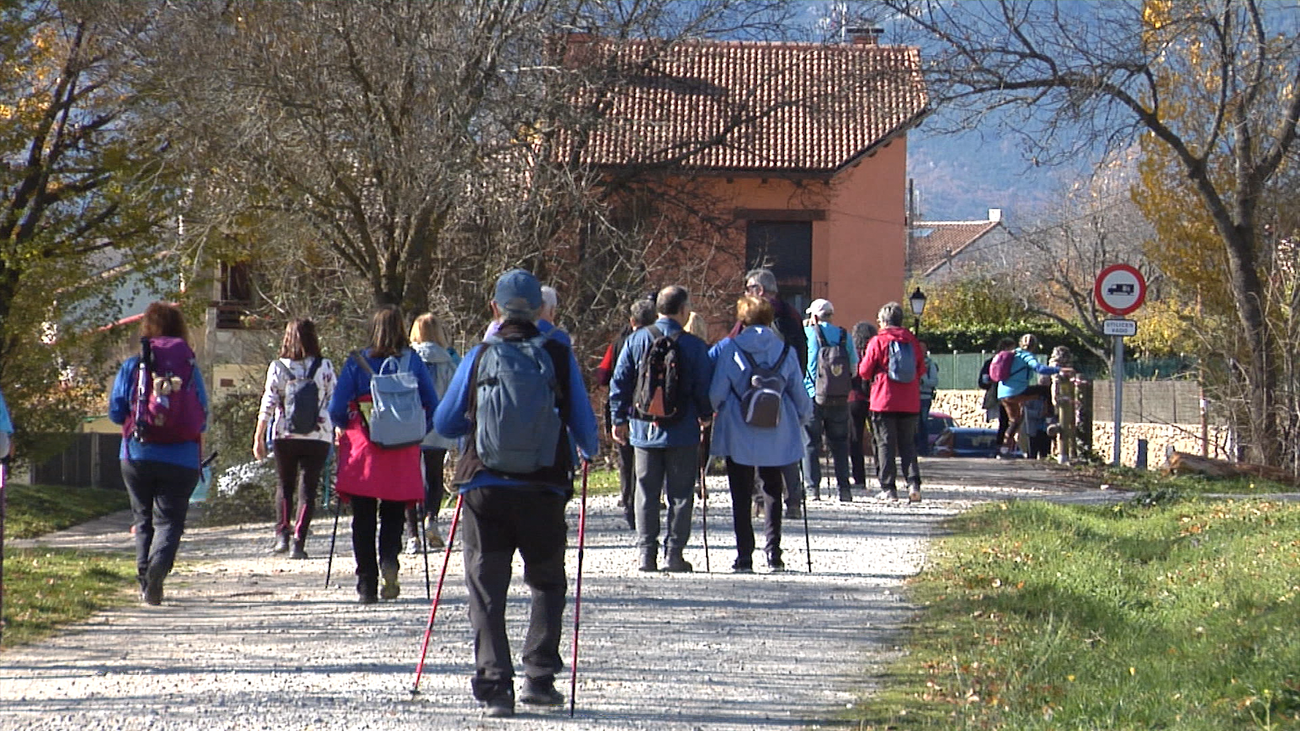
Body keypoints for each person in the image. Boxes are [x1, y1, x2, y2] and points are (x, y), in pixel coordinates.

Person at [433, 269, 599, 718]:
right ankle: (539, 680)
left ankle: (495, 687)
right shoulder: (558, 354)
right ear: (542, 311)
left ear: (496, 309)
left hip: (485, 487)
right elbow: (587, 432)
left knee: (487, 587)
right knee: (546, 582)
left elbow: (446, 423)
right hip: (544, 485)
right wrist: (583, 449)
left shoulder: (480, 355)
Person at [328, 305, 438, 603]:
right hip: (402, 445)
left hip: (364, 444)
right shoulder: (412, 361)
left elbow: (336, 408)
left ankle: (366, 584)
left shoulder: (356, 363)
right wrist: (417, 429)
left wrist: (344, 427)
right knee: (393, 511)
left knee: (362, 517)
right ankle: (389, 557)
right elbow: (432, 402)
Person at [108, 302, 209, 605]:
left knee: (143, 518)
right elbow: (201, 415)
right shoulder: (189, 366)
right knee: (170, 521)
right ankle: (158, 569)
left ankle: (144, 580)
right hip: (180, 458)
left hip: (137, 453)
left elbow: (115, 413)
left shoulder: (133, 365)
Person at [610, 285, 714, 573]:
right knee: (680, 493)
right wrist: (705, 417)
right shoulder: (694, 346)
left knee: (646, 490)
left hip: (644, 429)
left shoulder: (637, 339)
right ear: (682, 310)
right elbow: (703, 388)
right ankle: (674, 554)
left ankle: (646, 554)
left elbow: (620, 381)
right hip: (682, 430)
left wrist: (618, 419)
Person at [708, 295, 811, 572]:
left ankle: (744, 556)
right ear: (768, 319)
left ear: (743, 319)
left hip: (738, 428)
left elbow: (716, 394)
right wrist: (803, 418)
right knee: (772, 489)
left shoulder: (731, 349)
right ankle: (773, 553)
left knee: (740, 493)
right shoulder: (785, 350)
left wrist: (714, 409)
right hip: (777, 428)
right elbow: (800, 396)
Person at [253, 319, 336, 559]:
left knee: (285, 485)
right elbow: (334, 399)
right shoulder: (325, 366)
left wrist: (259, 435)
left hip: (284, 434)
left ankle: (282, 535)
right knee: (308, 489)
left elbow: (268, 402)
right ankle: (299, 541)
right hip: (318, 435)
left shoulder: (278, 367)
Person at [729, 269, 806, 515]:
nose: (745, 292)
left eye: (748, 287)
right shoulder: (791, 313)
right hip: (785, 389)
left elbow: (731, 348)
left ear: (759, 291)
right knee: (786, 445)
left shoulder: (752, 318)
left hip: (752, 392)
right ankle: (793, 499)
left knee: (753, 444)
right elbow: (800, 351)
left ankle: (759, 500)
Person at [595, 296, 657, 530]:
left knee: (627, 460)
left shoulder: (620, 343)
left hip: (624, 407)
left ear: (632, 320)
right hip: (651, 410)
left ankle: (629, 504)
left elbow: (602, 376)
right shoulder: (661, 340)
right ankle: (647, 508)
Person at [857, 302, 926, 503]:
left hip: (884, 399)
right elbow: (921, 368)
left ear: (884, 321)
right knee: (908, 444)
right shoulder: (911, 340)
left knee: (885, 443)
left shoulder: (879, 341)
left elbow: (864, 371)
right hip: (910, 400)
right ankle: (913, 484)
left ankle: (888, 488)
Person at [403, 312, 461, 554]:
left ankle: (412, 535)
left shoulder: (407, 358)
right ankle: (432, 519)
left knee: (410, 477)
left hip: (411, 424)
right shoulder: (449, 360)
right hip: (439, 424)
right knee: (434, 476)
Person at [801, 298, 856, 502]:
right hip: (840, 397)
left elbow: (805, 364)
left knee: (810, 443)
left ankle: (812, 488)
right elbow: (854, 368)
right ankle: (844, 489)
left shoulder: (808, 334)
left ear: (814, 316)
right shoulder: (844, 335)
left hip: (813, 395)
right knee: (840, 443)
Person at [996, 334, 1066, 457]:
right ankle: (1049, 418)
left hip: (1002, 393)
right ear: (1034, 346)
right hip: (1016, 391)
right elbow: (1039, 368)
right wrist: (1058, 370)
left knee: (1015, 421)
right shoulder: (1026, 355)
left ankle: (1004, 450)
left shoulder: (1012, 353)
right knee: (1044, 391)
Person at [848, 320, 877, 488]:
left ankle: (859, 478)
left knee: (855, 440)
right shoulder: (873, 351)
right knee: (878, 439)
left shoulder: (852, 353)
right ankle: (882, 474)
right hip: (874, 399)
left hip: (854, 399)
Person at [978, 338, 1015, 448]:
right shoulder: (1010, 363)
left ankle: (1003, 446)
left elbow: (982, 382)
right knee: (1006, 421)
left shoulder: (990, 362)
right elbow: (982, 382)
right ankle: (1003, 446)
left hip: (1001, 395)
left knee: (1005, 422)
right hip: (1005, 395)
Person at [915, 353, 939, 457]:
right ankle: (914, 448)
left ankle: (923, 449)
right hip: (913, 398)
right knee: (913, 425)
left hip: (925, 397)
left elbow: (934, 381)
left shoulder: (930, 365)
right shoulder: (912, 363)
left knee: (923, 423)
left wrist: (923, 381)